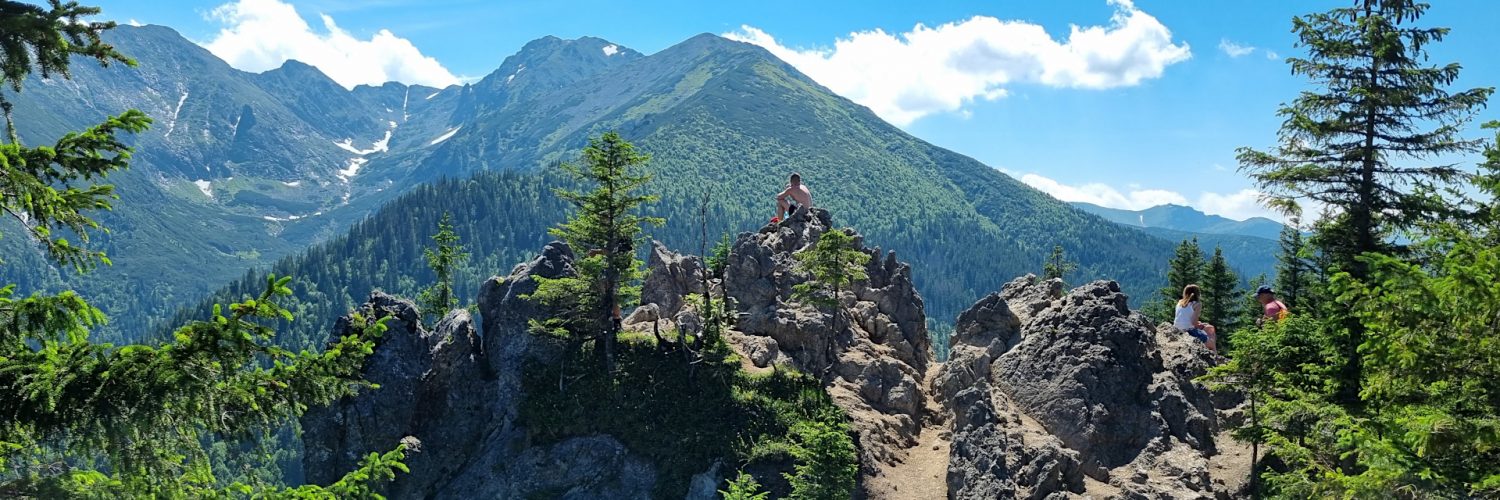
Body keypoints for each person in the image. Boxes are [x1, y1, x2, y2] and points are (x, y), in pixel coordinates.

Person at [1174, 284, 1218, 352]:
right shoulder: (1197, 304)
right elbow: (1193, 323)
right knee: (1211, 336)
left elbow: (1184, 318)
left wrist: (1199, 324)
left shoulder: (1180, 302)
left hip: (1177, 329)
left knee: (1208, 328)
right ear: (1197, 294)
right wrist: (1201, 326)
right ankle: (1215, 358)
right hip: (1189, 331)